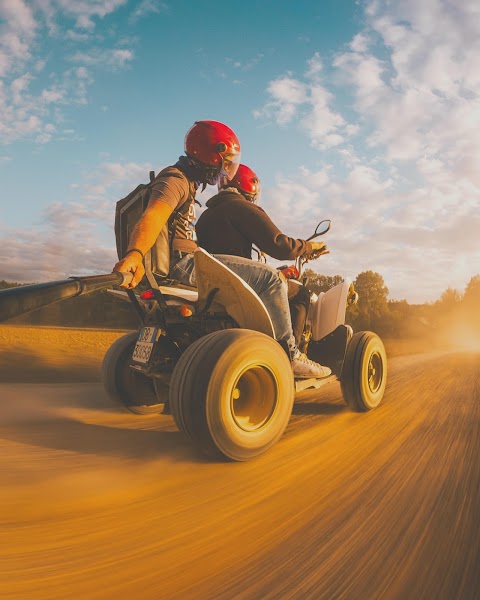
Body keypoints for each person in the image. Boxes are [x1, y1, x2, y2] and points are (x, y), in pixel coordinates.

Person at [113, 121, 330, 378]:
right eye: (226, 161)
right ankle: (290, 356)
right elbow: (154, 214)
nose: (226, 169)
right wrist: (135, 254)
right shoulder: (177, 180)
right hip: (184, 264)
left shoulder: (192, 190)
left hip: (184, 261)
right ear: (211, 154)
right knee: (270, 278)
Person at [195, 163, 331, 371]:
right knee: (301, 293)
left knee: (276, 279)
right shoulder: (242, 207)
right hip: (238, 282)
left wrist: (279, 272)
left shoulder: (206, 216)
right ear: (250, 187)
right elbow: (280, 245)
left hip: (216, 281)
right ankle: (291, 355)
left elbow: (232, 256)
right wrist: (308, 247)